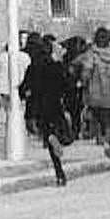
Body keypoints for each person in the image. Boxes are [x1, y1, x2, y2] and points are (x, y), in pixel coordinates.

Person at [20, 40, 70, 186]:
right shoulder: (56, 66)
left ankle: (59, 173)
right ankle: (56, 137)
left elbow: (24, 89)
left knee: (47, 135)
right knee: (62, 131)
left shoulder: (32, 67)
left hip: (37, 106)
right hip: (54, 104)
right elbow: (65, 84)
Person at [81, 28, 110, 170]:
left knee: (99, 121)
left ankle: (106, 144)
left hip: (95, 95)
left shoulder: (91, 55)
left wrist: (83, 83)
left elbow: (86, 74)